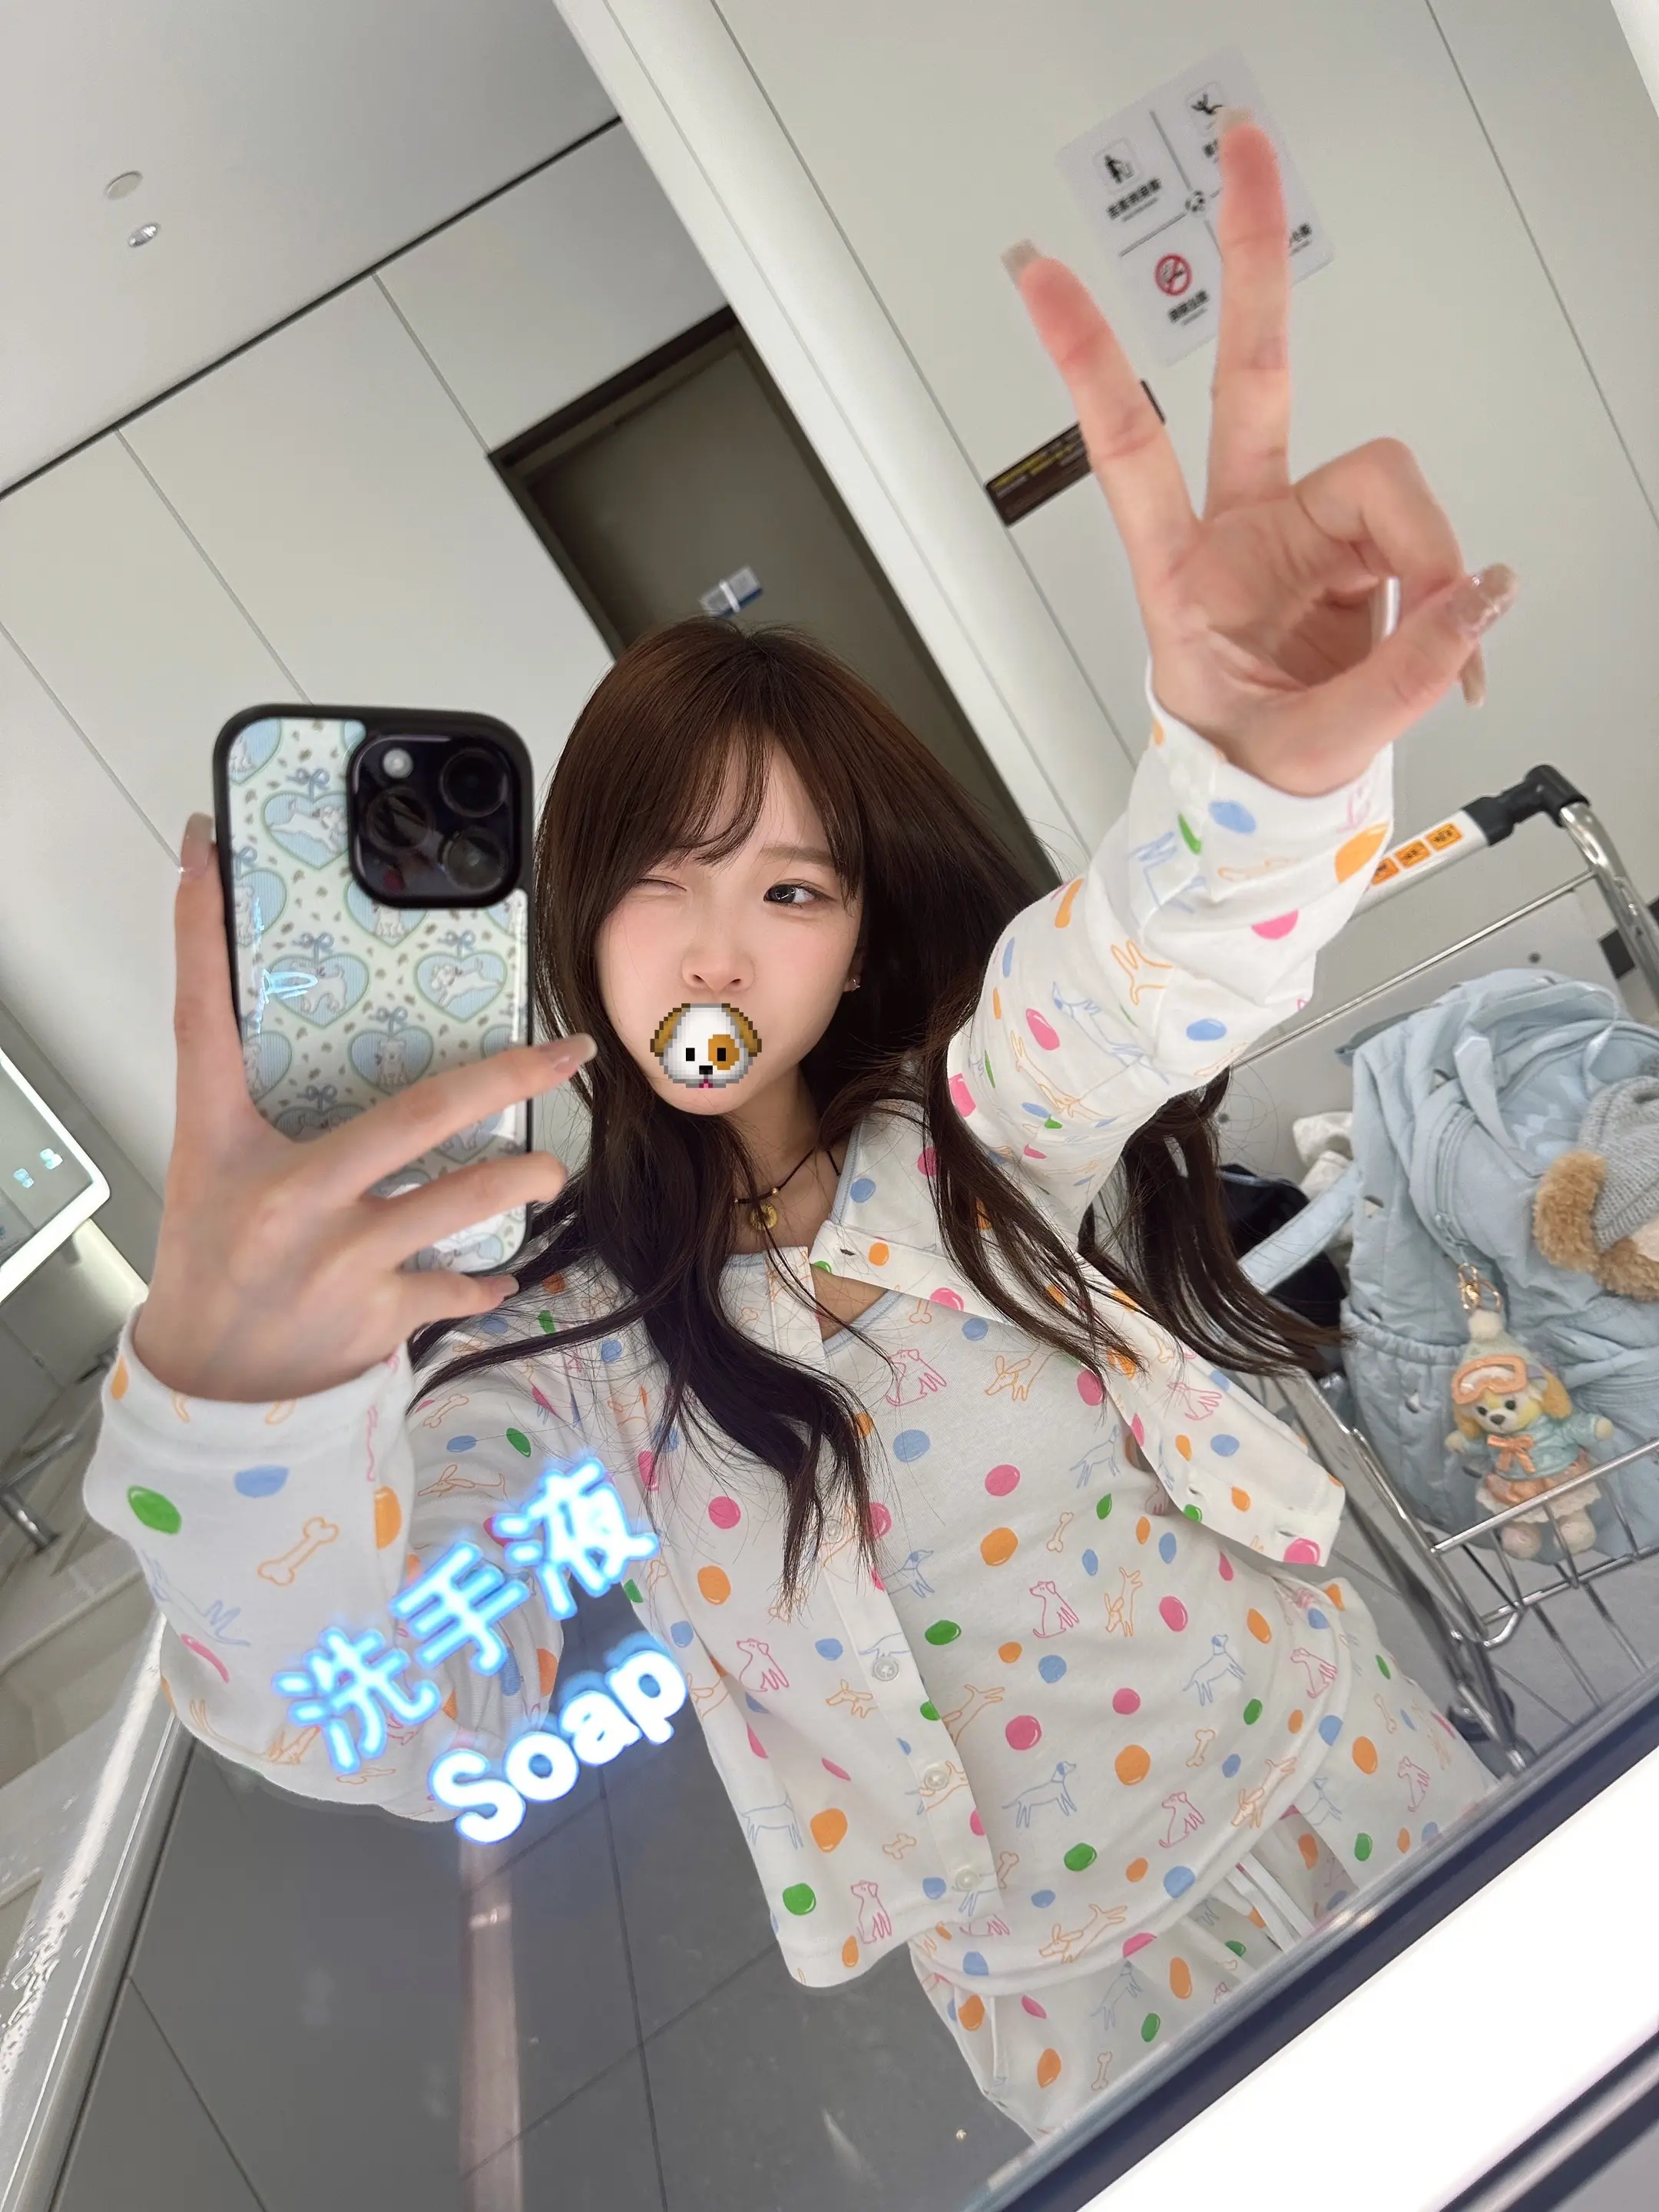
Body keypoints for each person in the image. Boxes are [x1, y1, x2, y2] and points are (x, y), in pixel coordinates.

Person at [84, 114, 1513, 2144]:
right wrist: (236, 1430)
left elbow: (1154, 962)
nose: (720, 948)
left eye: (789, 887)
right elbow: (380, 1708)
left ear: (853, 943)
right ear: (577, 922)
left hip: (1346, 1771)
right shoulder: (562, 1360)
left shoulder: (980, 1131)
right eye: (660, 879)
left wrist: (1249, 786)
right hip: (1085, 2006)